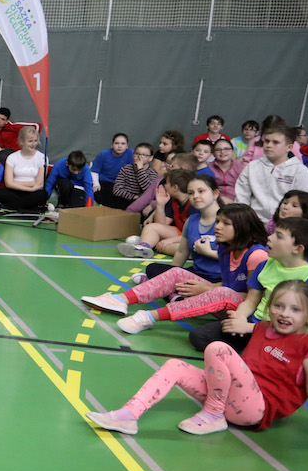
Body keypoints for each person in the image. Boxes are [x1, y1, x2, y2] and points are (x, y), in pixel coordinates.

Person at [87, 280, 308, 440]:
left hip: (256, 410)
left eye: (295, 310)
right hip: (230, 397)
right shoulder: (262, 328)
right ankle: (129, 415)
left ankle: (213, 415)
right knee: (174, 365)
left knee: (218, 348)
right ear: (269, 307)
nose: (284, 313)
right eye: (279, 306)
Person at [83, 175, 227, 334]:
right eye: (191, 193)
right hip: (197, 274)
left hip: (220, 282)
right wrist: (169, 278)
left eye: (201, 191)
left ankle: (129, 301)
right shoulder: (192, 220)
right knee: (155, 269)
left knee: (171, 276)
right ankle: (142, 298)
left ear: (215, 193)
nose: (196, 196)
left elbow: (239, 260)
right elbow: (181, 252)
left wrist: (209, 253)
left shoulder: (228, 222)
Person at [188, 217, 308, 354]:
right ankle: (249, 349)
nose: (270, 237)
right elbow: (251, 301)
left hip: (282, 333)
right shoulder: (264, 265)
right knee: (198, 336)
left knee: (248, 359)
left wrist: (250, 328)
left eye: (279, 236)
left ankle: (253, 352)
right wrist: (240, 317)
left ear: (298, 248)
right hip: (254, 324)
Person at [235, 123, 308, 224]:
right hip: (253, 223)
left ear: (289, 147)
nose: (269, 145)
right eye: (266, 141)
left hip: (284, 224)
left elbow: (302, 205)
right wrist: (243, 221)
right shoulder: (252, 166)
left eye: (275, 142)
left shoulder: (300, 171)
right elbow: (241, 198)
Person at [118, 168, 193, 259]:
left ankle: (149, 243)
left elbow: (196, 234)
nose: (164, 185)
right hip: (182, 234)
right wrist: (160, 204)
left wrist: (170, 240)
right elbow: (161, 224)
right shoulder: (173, 200)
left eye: (166, 183)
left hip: (195, 238)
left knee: (179, 249)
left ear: (175, 187)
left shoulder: (193, 204)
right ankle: (144, 246)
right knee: (151, 227)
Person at [0, 124, 48, 214]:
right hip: (15, 191)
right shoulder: (12, 157)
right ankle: (28, 208)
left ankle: (16, 207)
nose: (33, 144)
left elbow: (39, 183)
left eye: (35, 141)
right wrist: (30, 187)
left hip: (33, 193)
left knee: (43, 195)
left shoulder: (42, 158)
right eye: (30, 141)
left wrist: (15, 183)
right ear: (22, 141)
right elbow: (8, 183)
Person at [102, 142, 156, 211]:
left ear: (150, 158)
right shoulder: (126, 168)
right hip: (125, 199)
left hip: (142, 202)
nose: (139, 157)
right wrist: (134, 197)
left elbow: (149, 191)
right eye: (137, 154)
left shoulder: (152, 173)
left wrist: (140, 170)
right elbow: (116, 190)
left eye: (143, 155)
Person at [89, 133, 132, 202]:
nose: (119, 146)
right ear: (112, 145)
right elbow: (94, 171)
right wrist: (96, 184)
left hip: (121, 184)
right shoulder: (103, 154)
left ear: (127, 146)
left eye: (123, 144)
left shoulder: (131, 154)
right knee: (97, 194)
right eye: (117, 143)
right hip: (104, 182)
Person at [206, 137, 245, 203]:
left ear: (232, 151)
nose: (222, 152)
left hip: (238, 203)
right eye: (218, 150)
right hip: (214, 202)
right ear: (213, 153)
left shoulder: (241, 168)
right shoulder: (208, 168)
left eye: (226, 149)